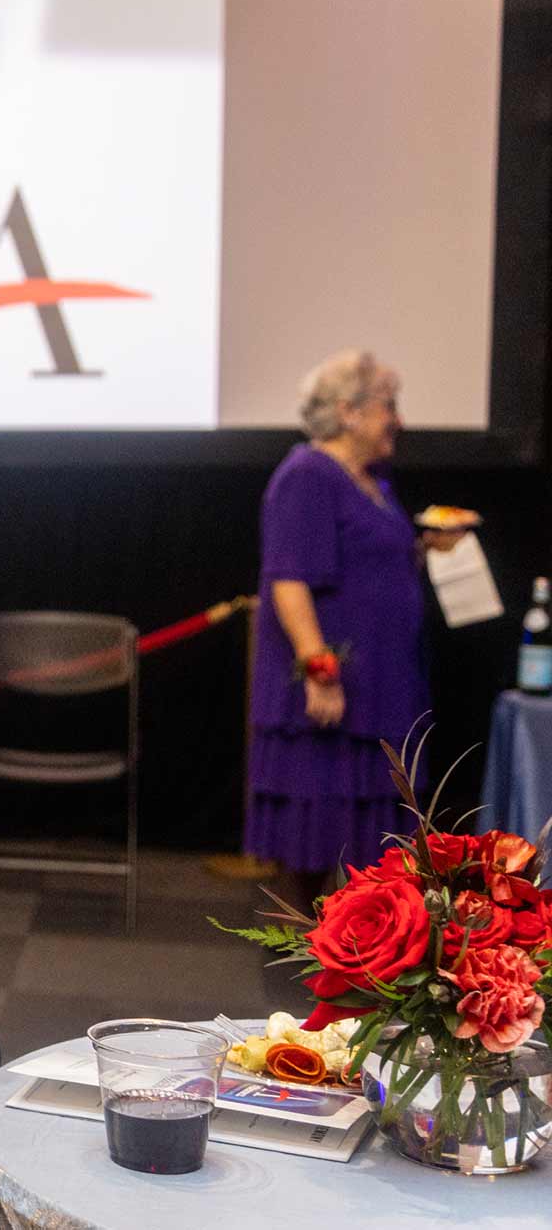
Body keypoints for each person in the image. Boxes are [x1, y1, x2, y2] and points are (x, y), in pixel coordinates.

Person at [248, 350, 464, 892]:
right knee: (321, 826)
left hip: (382, 686)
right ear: (348, 411)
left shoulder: (373, 481)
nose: (398, 419)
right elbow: (289, 579)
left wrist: (423, 548)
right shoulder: (307, 475)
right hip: (337, 689)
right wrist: (319, 671)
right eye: (388, 405)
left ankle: (363, 932)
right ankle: (313, 936)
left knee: (373, 840)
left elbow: (367, 566)